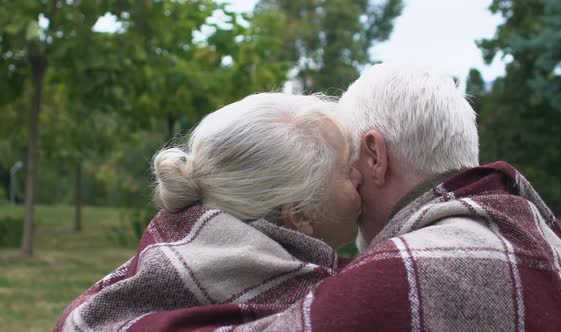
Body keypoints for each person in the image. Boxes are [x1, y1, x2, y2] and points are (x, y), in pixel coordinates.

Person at [143, 64, 561, 331]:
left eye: (349, 163)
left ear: (375, 155)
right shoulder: (546, 245)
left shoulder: (395, 278)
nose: (352, 186)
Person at [54, 93, 362, 332]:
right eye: (348, 170)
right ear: (301, 214)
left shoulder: (127, 290)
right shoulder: (321, 311)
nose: (362, 176)